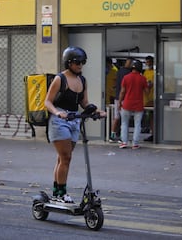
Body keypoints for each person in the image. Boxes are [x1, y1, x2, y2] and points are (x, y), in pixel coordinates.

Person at [44, 46, 106, 203]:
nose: (80, 66)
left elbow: (84, 103)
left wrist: (98, 111)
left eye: (82, 62)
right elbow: (47, 101)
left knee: (62, 159)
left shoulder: (82, 80)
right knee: (66, 158)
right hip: (59, 121)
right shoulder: (60, 79)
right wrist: (57, 113)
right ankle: (62, 194)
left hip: (74, 120)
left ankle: (57, 192)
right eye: (77, 62)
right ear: (68, 63)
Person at [118, 59, 149, 150]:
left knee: (124, 124)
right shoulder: (142, 78)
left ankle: (124, 142)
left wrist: (120, 102)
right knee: (137, 124)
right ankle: (135, 143)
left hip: (127, 104)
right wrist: (149, 86)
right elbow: (147, 92)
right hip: (138, 105)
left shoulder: (126, 77)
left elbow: (122, 91)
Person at [109, 57, 133, 143]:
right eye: (131, 62)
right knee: (124, 118)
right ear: (129, 63)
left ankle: (112, 136)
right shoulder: (129, 73)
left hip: (117, 97)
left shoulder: (119, 71)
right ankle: (122, 137)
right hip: (125, 98)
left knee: (116, 117)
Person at [143, 56, 155, 142]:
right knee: (150, 116)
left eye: (150, 62)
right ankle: (152, 133)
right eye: (147, 62)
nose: (148, 63)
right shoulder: (146, 72)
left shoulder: (155, 72)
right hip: (146, 98)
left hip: (153, 97)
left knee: (154, 116)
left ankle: (155, 134)